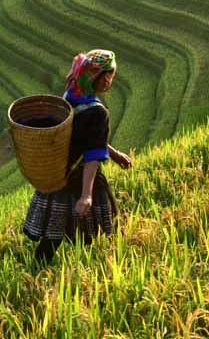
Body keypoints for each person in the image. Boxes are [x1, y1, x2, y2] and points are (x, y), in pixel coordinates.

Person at [23, 49, 133, 265]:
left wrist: (115, 153)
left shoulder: (69, 97)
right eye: (109, 74)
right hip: (82, 174)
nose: (111, 80)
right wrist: (86, 195)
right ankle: (115, 263)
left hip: (61, 172)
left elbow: (89, 139)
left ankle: (39, 265)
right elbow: (92, 154)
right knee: (108, 221)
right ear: (97, 77)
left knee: (54, 228)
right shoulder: (98, 112)